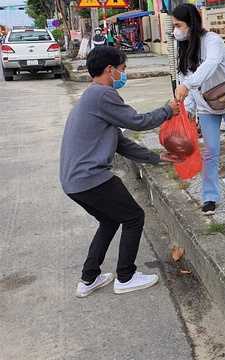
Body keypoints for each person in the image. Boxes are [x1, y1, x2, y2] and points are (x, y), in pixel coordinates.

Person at [60, 45, 182, 297]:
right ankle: (125, 277)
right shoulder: (104, 95)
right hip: (92, 178)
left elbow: (120, 141)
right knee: (134, 217)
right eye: (123, 69)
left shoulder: (92, 97)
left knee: (109, 220)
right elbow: (137, 121)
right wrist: (168, 110)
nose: (123, 74)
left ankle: (88, 278)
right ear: (109, 69)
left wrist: (155, 158)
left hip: (73, 181)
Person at [172, 3, 225, 215]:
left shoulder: (212, 40)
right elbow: (183, 75)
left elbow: (211, 64)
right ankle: (210, 196)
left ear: (191, 24)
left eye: (179, 25)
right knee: (211, 151)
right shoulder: (181, 45)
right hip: (205, 107)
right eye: (174, 25)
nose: (176, 30)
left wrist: (187, 84)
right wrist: (189, 108)